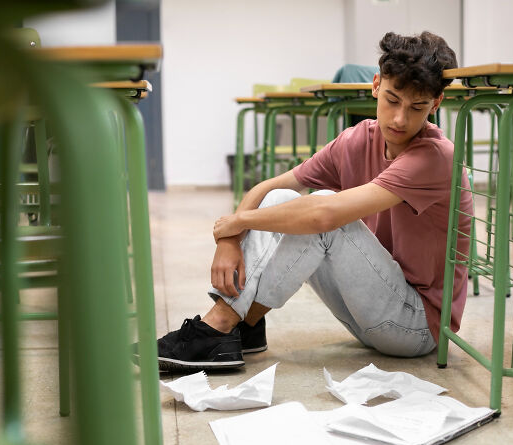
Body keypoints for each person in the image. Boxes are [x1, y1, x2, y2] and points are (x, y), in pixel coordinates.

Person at [155, 31, 472, 372]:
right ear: (376, 85)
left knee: (322, 210)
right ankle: (244, 327)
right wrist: (230, 239)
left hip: (416, 327)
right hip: (367, 308)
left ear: (436, 104)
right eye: (393, 100)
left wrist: (238, 223)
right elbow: (269, 187)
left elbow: (324, 214)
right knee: (282, 198)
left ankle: (219, 325)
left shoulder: (435, 157)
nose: (399, 119)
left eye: (417, 108)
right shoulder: (357, 139)